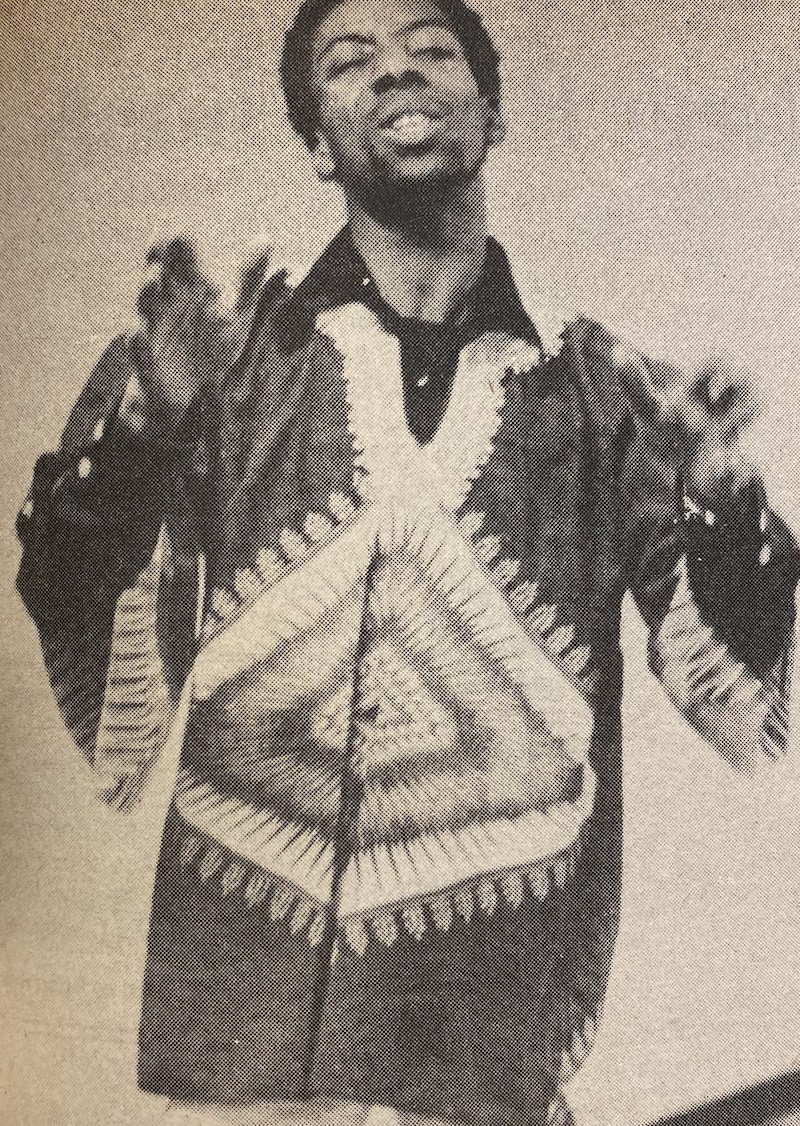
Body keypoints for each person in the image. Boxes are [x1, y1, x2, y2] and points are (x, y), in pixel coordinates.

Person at [15, 0, 800, 1123]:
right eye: (350, 61)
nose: (394, 74)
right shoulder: (220, 365)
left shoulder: (602, 401)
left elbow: (732, 703)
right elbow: (74, 607)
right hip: (246, 1068)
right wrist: (148, 426)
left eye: (432, 50)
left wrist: (720, 494)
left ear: (491, 113)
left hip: (481, 1066)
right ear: (313, 141)